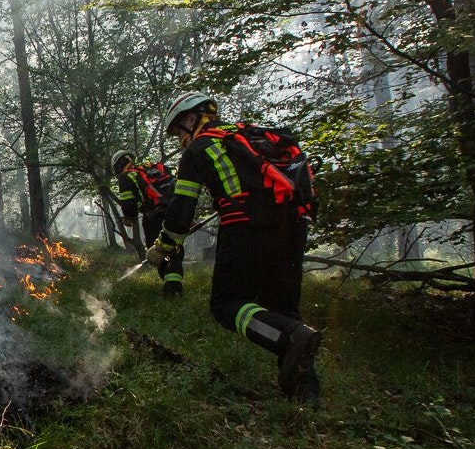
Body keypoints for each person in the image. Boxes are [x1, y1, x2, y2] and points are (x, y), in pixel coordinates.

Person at [146, 91, 321, 404]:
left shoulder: (200, 148)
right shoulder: (251, 135)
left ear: (190, 118)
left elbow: (180, 212)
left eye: (178, 132)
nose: (179, 140)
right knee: (282, 308)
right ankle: (305, 394)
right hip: (294, 224)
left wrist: (162, 247)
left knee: (227, 305)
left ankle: (288, 339)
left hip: (245, 227)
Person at [112, 150, 183, 296]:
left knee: (156, 252)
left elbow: (129, 203)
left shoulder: (126, 176)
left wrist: (128, 218)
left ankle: (171, 289)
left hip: (154, 217)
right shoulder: (154, 167)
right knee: (174, 247)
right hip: (175, 211)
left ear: (118, 166)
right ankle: (175, 285)